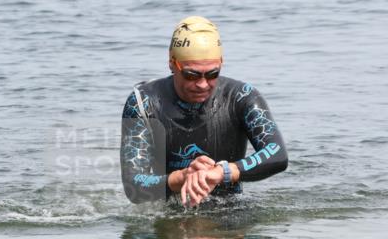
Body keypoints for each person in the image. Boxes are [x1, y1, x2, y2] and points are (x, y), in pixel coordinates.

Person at [120, 17, 288, 207]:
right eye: (191, 75)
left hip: (230, 208)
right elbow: (132, 185)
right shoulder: (143, 102)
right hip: (170, 212)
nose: (202, 84)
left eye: (212, 74)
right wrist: (182, 177)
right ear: (172, 63)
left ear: (221, 63)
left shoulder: (241, 97)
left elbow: (277, 155)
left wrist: (222, 172)